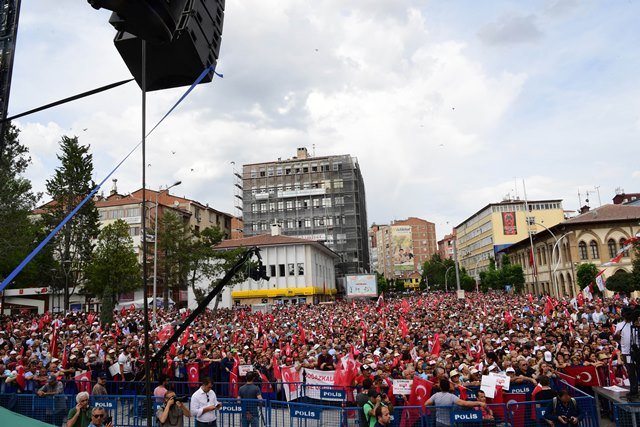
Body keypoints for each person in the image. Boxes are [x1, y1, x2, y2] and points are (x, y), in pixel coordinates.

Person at [615, 306, 640, 399]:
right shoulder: (620, 325)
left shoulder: (636, 324)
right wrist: (617, 336)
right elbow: (617, 339)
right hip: (626, 352)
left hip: (637, 350)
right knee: (631, 371)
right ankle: (634, 390)